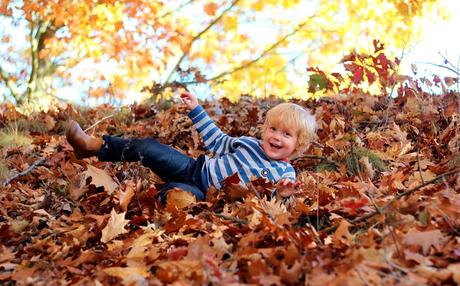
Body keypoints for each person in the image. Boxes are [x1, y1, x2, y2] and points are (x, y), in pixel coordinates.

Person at [66, 91, 317, 202]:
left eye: (286, 134)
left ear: (298, 145)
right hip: (194, 168)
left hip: (208, 195)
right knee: (150, 148)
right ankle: (91, 145)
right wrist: (196, 109)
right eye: (273, 129)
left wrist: (282, 195)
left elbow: (271, 202)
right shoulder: (248, 144)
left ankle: (152, 200)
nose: (276, 137)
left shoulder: (285, 175)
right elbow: (216, 139)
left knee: (181, 196)